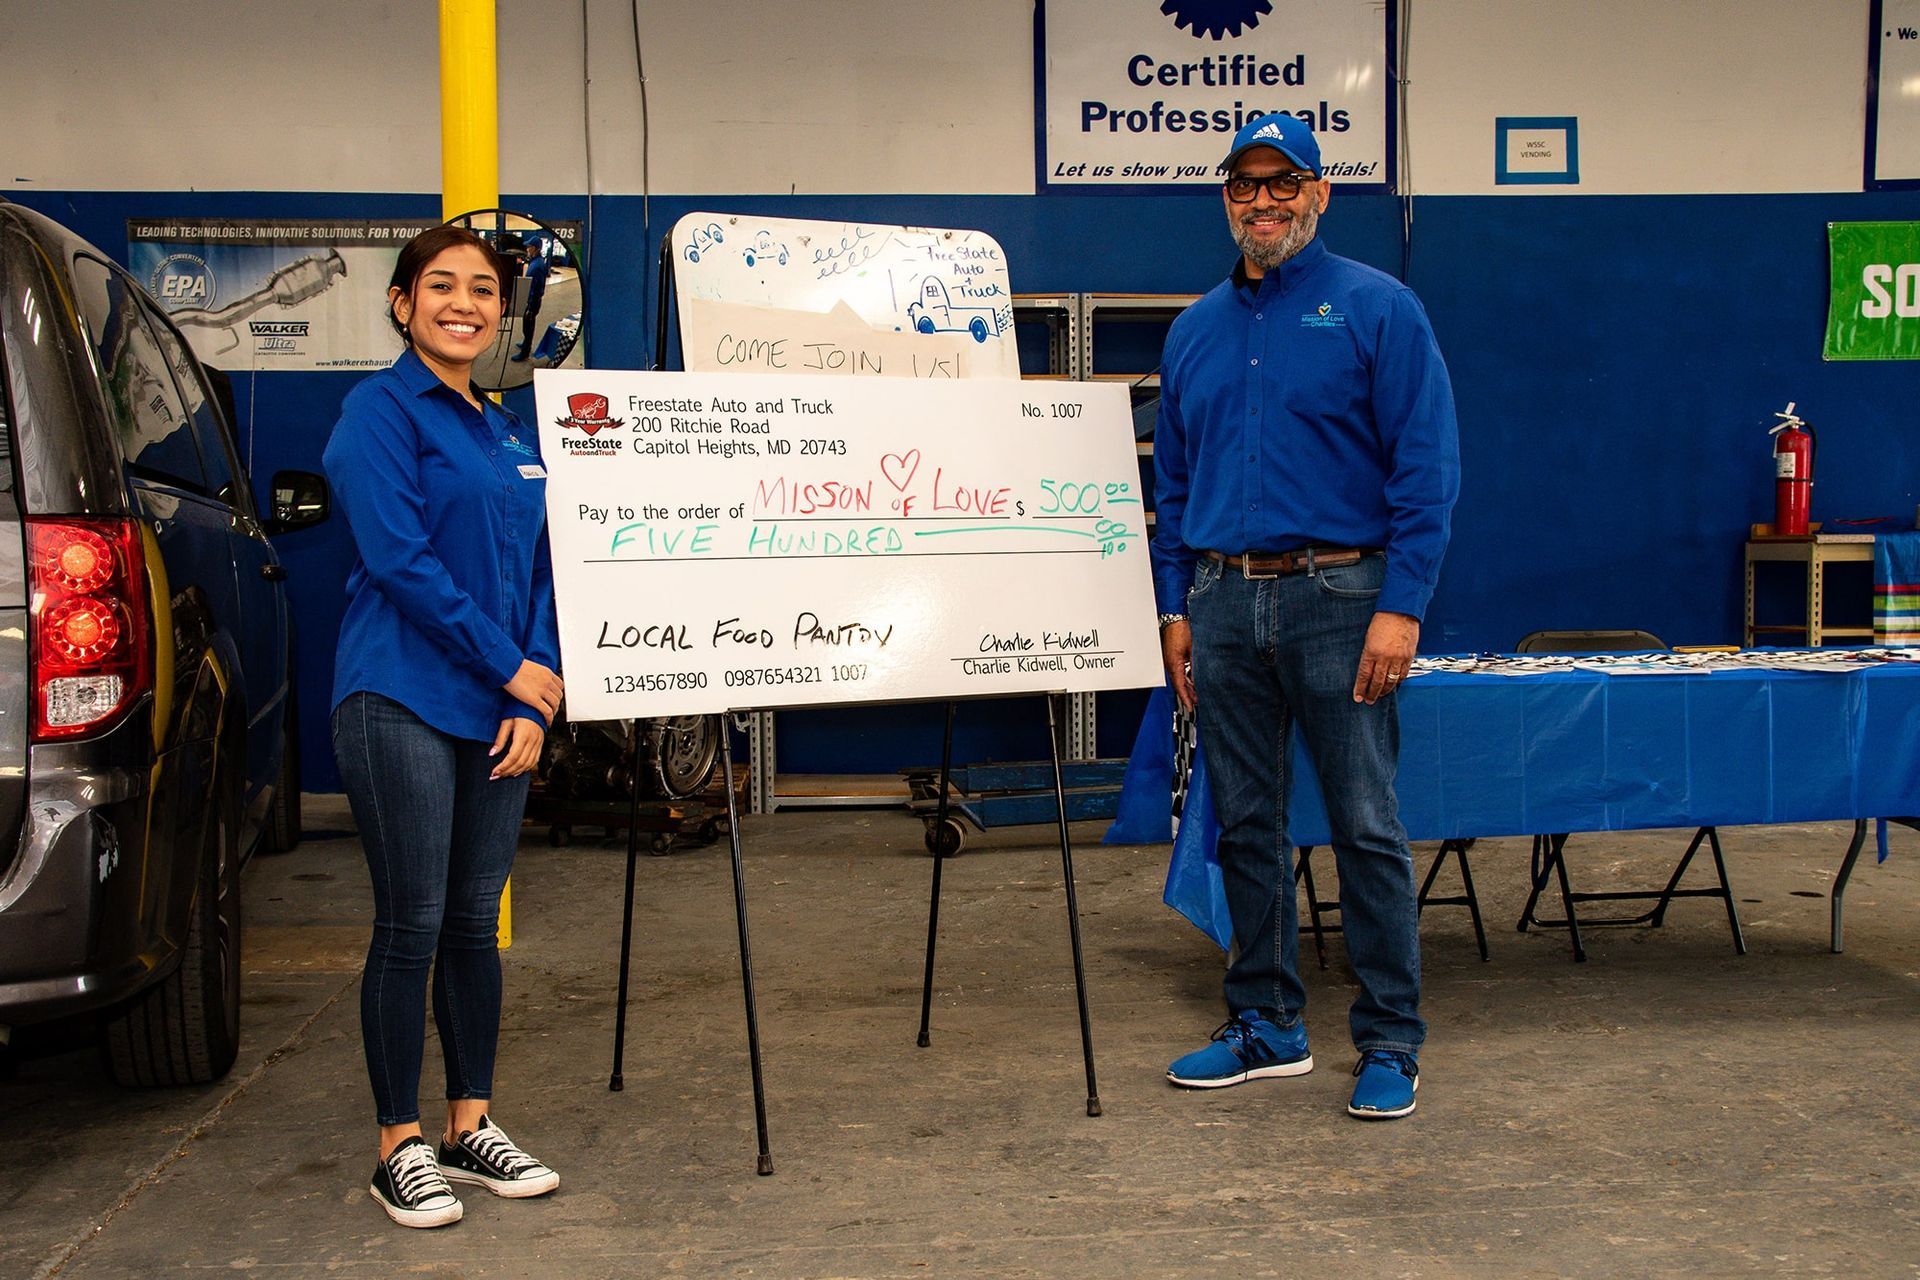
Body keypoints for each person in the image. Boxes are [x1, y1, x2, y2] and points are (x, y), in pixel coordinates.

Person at [1151, 114, 1460, 1120]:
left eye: (1284, 183)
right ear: (1226, 200)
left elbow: (1428, 469)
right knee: (1245, 820)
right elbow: (1176, 483)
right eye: (1246, 186)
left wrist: (1401, 607)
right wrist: (1176, 606)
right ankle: (1268, 1025)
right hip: (1224, 601)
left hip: (1344, 601)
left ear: (1319, 193)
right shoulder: (1194, 330)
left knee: (1366, 822)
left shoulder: (1380, 309)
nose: (1264, 202)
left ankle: (1390, 1039)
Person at [325, 225, 566, 1226]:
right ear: (400, 302)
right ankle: (397, 1141)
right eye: (441, 285)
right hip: (402, 696)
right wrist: (505, 662)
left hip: (496, 708)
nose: (464, 302)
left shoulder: (502, 429)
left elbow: (548, 565)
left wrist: (531, 687)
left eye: (483, 289)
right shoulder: (376, 414)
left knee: (475, 921)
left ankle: (470, 1123)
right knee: (413, 920)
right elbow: (401, 561)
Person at [510, 234, 550, 362]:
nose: (527, 249)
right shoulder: (534, 262)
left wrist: (530, 306)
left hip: (532, 302)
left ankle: (525, 352)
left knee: (529, 326)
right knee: (526, 325)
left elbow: (537, 289)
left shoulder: (537, 266)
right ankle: (525, 343)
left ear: (535, 248)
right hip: (530, 300)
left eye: (529, 247)